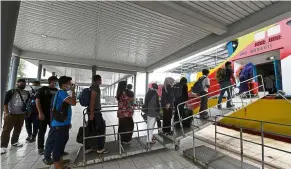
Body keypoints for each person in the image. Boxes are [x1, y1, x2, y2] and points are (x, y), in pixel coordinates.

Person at [43, 76, 76, 169]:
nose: (71, 85)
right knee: (58, 144)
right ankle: (57, 165)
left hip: (63, 123)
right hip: (58, 125)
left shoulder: (63, 93)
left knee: (62, 142)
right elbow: (73, 102)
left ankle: (60, 160)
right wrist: (73, 91)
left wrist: (68, 122)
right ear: (64, 84)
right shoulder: (61, 93)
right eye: (70, 84)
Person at [1, 79, 30, 154]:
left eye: (24, 83)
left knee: (18, 128)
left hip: (21, 114)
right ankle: (3, 146)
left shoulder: (27, 93)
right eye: (22, 83)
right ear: (17, 83)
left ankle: (14, 141)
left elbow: (26, 103)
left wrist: (27, 111)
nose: (23, 84)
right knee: (7, 129)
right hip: (11, 113)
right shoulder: (11, 91)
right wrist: (6, 113)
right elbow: (5, 103)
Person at [36, 76, 59, 155]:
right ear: (50, 82)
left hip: (53, 115)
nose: (55, 84)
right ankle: (40, 148)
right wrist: (40, 112)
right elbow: (37, 101)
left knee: (54, 130)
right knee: (42, 131)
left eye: (56, 82)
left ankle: (54, 147)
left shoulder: (57, 91)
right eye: (54, 82)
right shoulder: (42, 89)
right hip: (43, 114)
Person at [88, 75, 110, 154]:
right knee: (101, 128)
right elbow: (92, 100)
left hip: (94, 111)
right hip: (95, 112)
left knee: (95, 129)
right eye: (101, 79)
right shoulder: (95, 87)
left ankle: (94, 146)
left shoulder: (93, 86)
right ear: (99, 80)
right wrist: (91, 113)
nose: (101, 81)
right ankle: (100, 148)